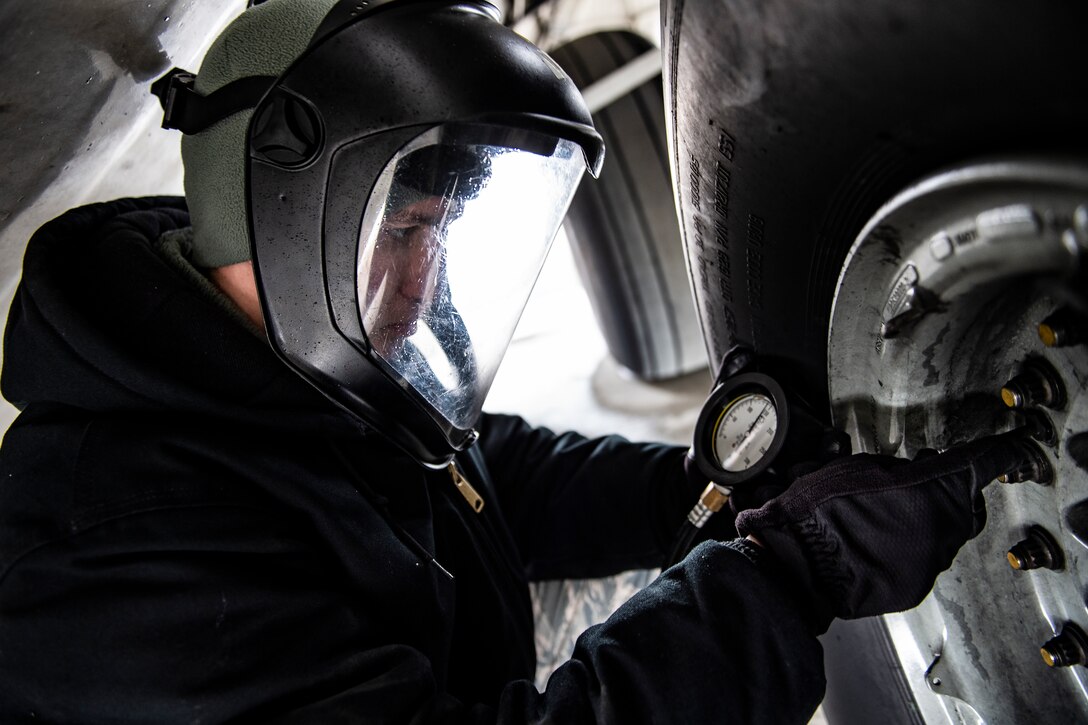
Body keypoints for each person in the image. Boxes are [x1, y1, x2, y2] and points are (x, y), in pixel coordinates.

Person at [0, 0, 1036, 722]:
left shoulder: (284, 380)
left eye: (440, 236)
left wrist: (707, 484)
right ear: (281, 203)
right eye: (404, 229)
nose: (423, 276)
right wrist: (785, 574)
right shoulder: (116, 559)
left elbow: (487, 482)